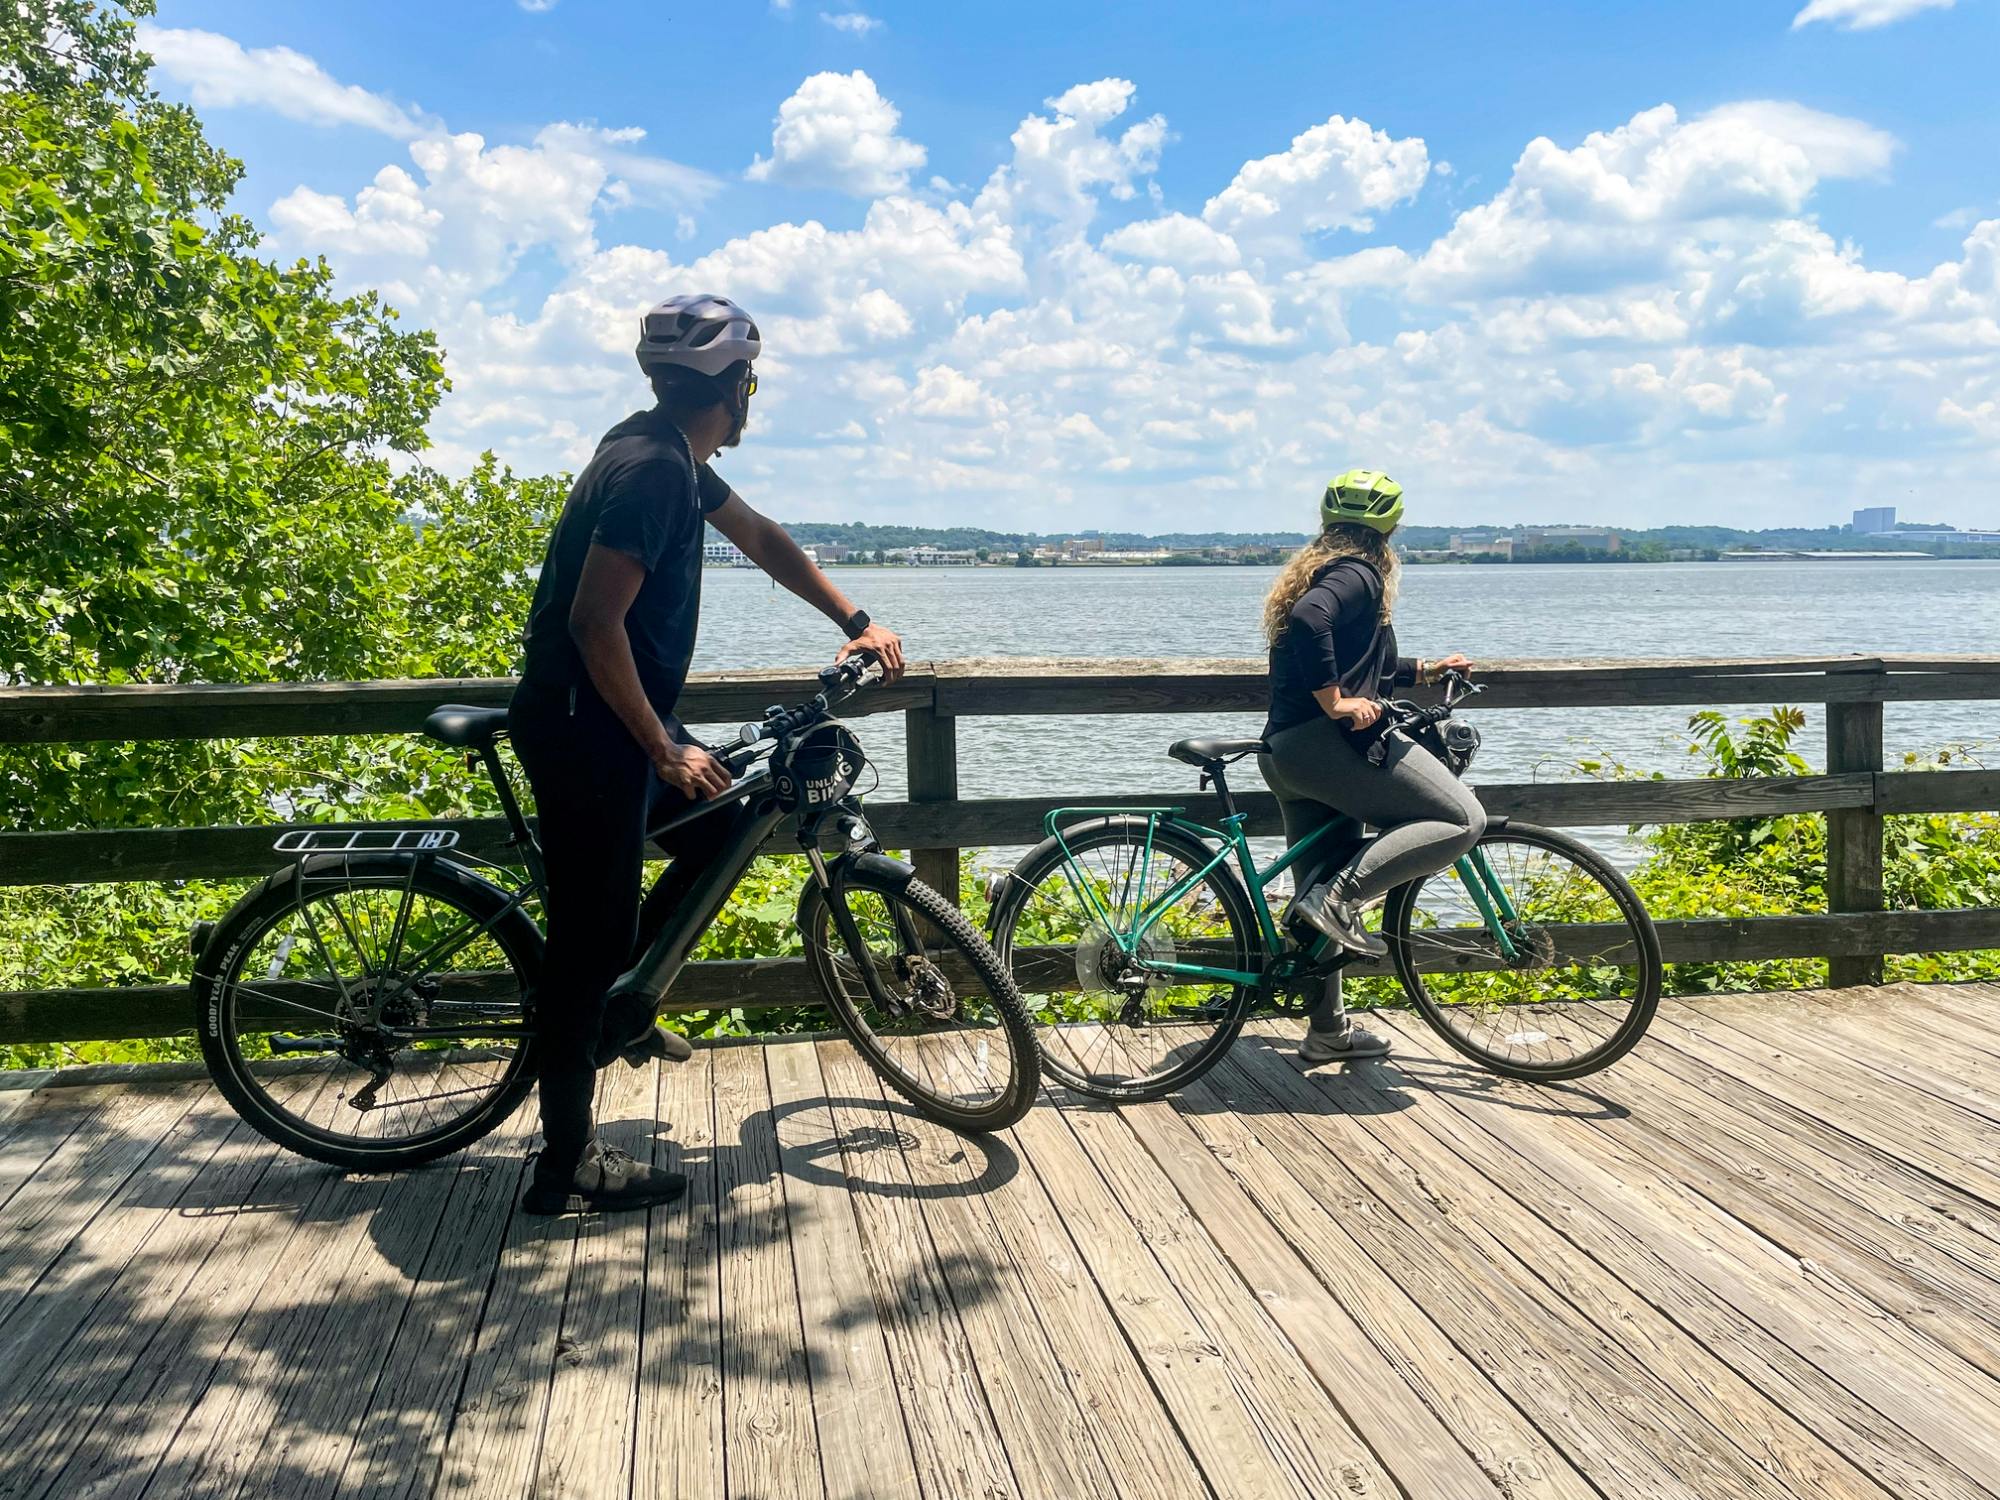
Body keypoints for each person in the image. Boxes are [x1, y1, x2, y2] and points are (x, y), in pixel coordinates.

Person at [508, 293, 905, 1215]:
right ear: (732, 387)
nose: (750, 400)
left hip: (609, 719)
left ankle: (628, 1001)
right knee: (584, 947)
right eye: (749, 383)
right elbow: (593, 620)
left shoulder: (664, 453)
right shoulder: (651, 473)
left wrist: (856, 619)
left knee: (719, 830)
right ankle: (565, 1165)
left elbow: (761, 538)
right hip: (589, 730)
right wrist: (661, 746)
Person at [1256, 469, 1483, 1065]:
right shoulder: (1359, 573)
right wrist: (1335, 701)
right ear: (1391, 527)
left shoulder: (1327, 567)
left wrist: (1425, 671)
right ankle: (1340, 897)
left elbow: (1364, 664)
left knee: (1313, 879)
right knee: (1461, 818)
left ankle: (1327, 1029)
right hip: (1327, 747)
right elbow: (1312, 622)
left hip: (1289, 752)